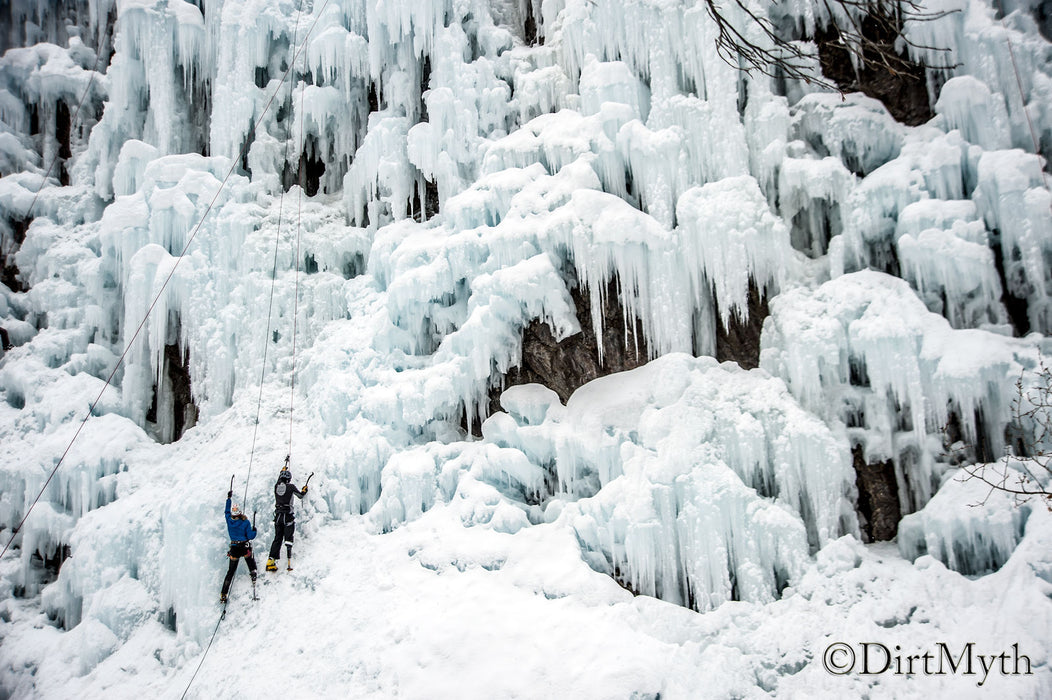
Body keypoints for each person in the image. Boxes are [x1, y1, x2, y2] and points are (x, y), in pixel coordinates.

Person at [266, 458, 307, 571]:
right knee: (288, 537)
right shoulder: (291, 487)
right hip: (287, 516)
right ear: (289, 479)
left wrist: (282, 470)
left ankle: (271, 560)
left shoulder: (276, 486)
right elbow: (300, 495)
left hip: (278, 516)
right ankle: (289, 561)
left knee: (277, 538)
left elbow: (279, 481)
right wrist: (304, 490)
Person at [220, 490, 257, 603]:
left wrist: (228, 499)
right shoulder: (245, 522)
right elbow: (250, 536)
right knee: (250, 560)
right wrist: (254, 530)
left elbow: (226, 511)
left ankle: (223, 594)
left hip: (234, 548)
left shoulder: (229, 520)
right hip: (244, 547)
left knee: (230, 572)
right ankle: (253, 574)